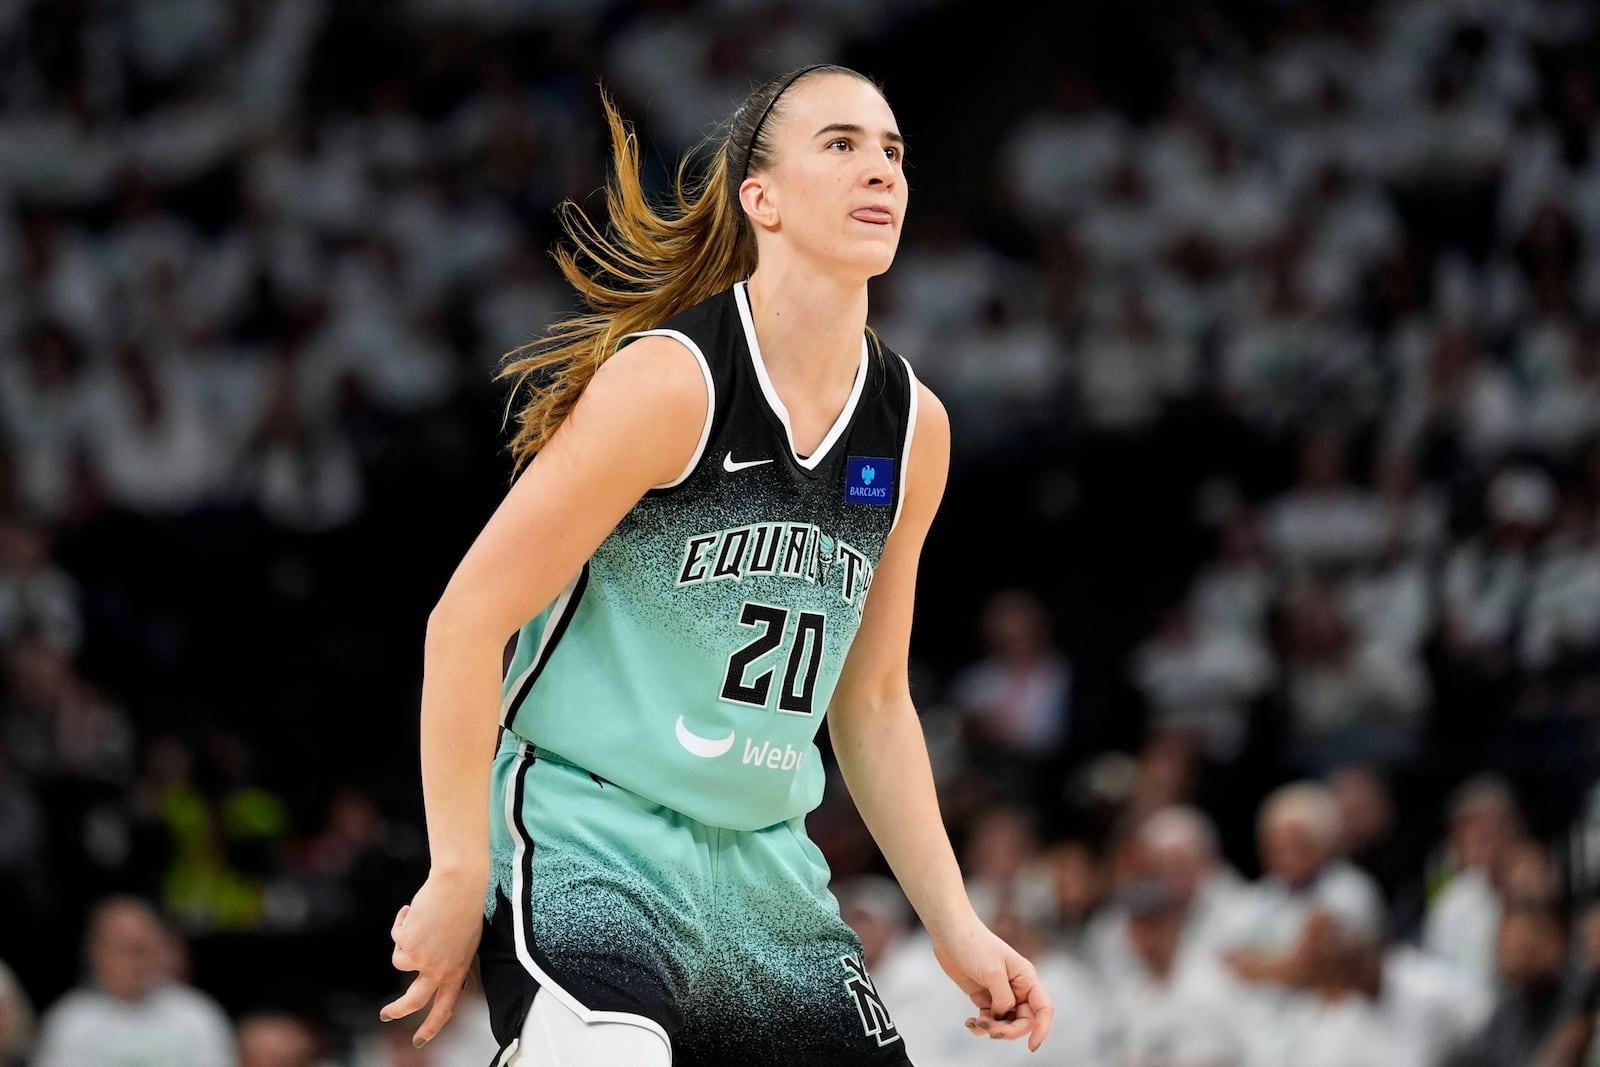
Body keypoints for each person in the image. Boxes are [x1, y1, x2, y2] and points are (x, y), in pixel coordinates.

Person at [380, 64, 1054, 1066]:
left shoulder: (913, 430)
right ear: (761, 198)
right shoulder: (669, 383)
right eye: (841, 144)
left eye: (893, 152)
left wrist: (954, 923)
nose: (880, 169)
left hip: (764, 866)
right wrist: (454, 867)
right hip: (591, 827)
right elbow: (466, 620)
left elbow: (869, 703)